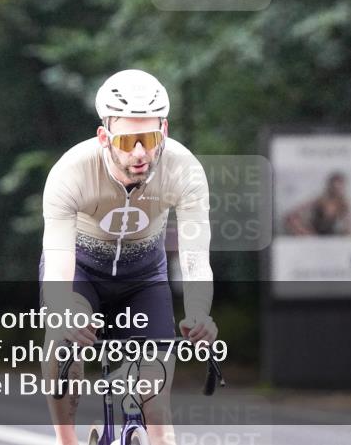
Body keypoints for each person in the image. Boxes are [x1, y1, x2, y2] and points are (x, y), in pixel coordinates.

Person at [40, 69, 218, 445]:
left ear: (164, 132)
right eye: (128, 140)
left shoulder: (184, 171)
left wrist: (200, 312)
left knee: (158, 411)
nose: (140, 152)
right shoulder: (71, 172)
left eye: (150, 138)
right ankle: (66, 440)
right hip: (80, 272)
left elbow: (196, 257)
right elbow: (57, 258)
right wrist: (63, 310)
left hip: (143, 278)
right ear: (104, 137)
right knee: (62, 340)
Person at [283, 172, 351, 236]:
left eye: (339, 187)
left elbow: (348, 225)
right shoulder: (320, 200)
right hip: (313, 232)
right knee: (291, 218)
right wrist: (303, 228)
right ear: (329, 186)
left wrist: (346, 233)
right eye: (334, 186)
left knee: (347, 232)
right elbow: (294, 212)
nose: (336, 189)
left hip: (329, 234)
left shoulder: (343, 203)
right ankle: (311, 238)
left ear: (343, 187)